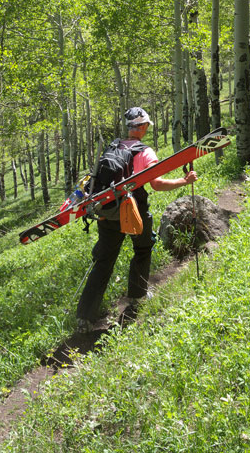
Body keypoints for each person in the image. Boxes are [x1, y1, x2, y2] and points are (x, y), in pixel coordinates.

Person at [76, 106, 198, 332]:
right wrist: (184, 181)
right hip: (134, 210)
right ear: (141, 127)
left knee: (104, 261)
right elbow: (156, 184)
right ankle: (138, 296)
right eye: (146, 126)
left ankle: (84, 317)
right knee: (142, 249)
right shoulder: (145, 152)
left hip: (108, 210)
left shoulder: (114, 146)